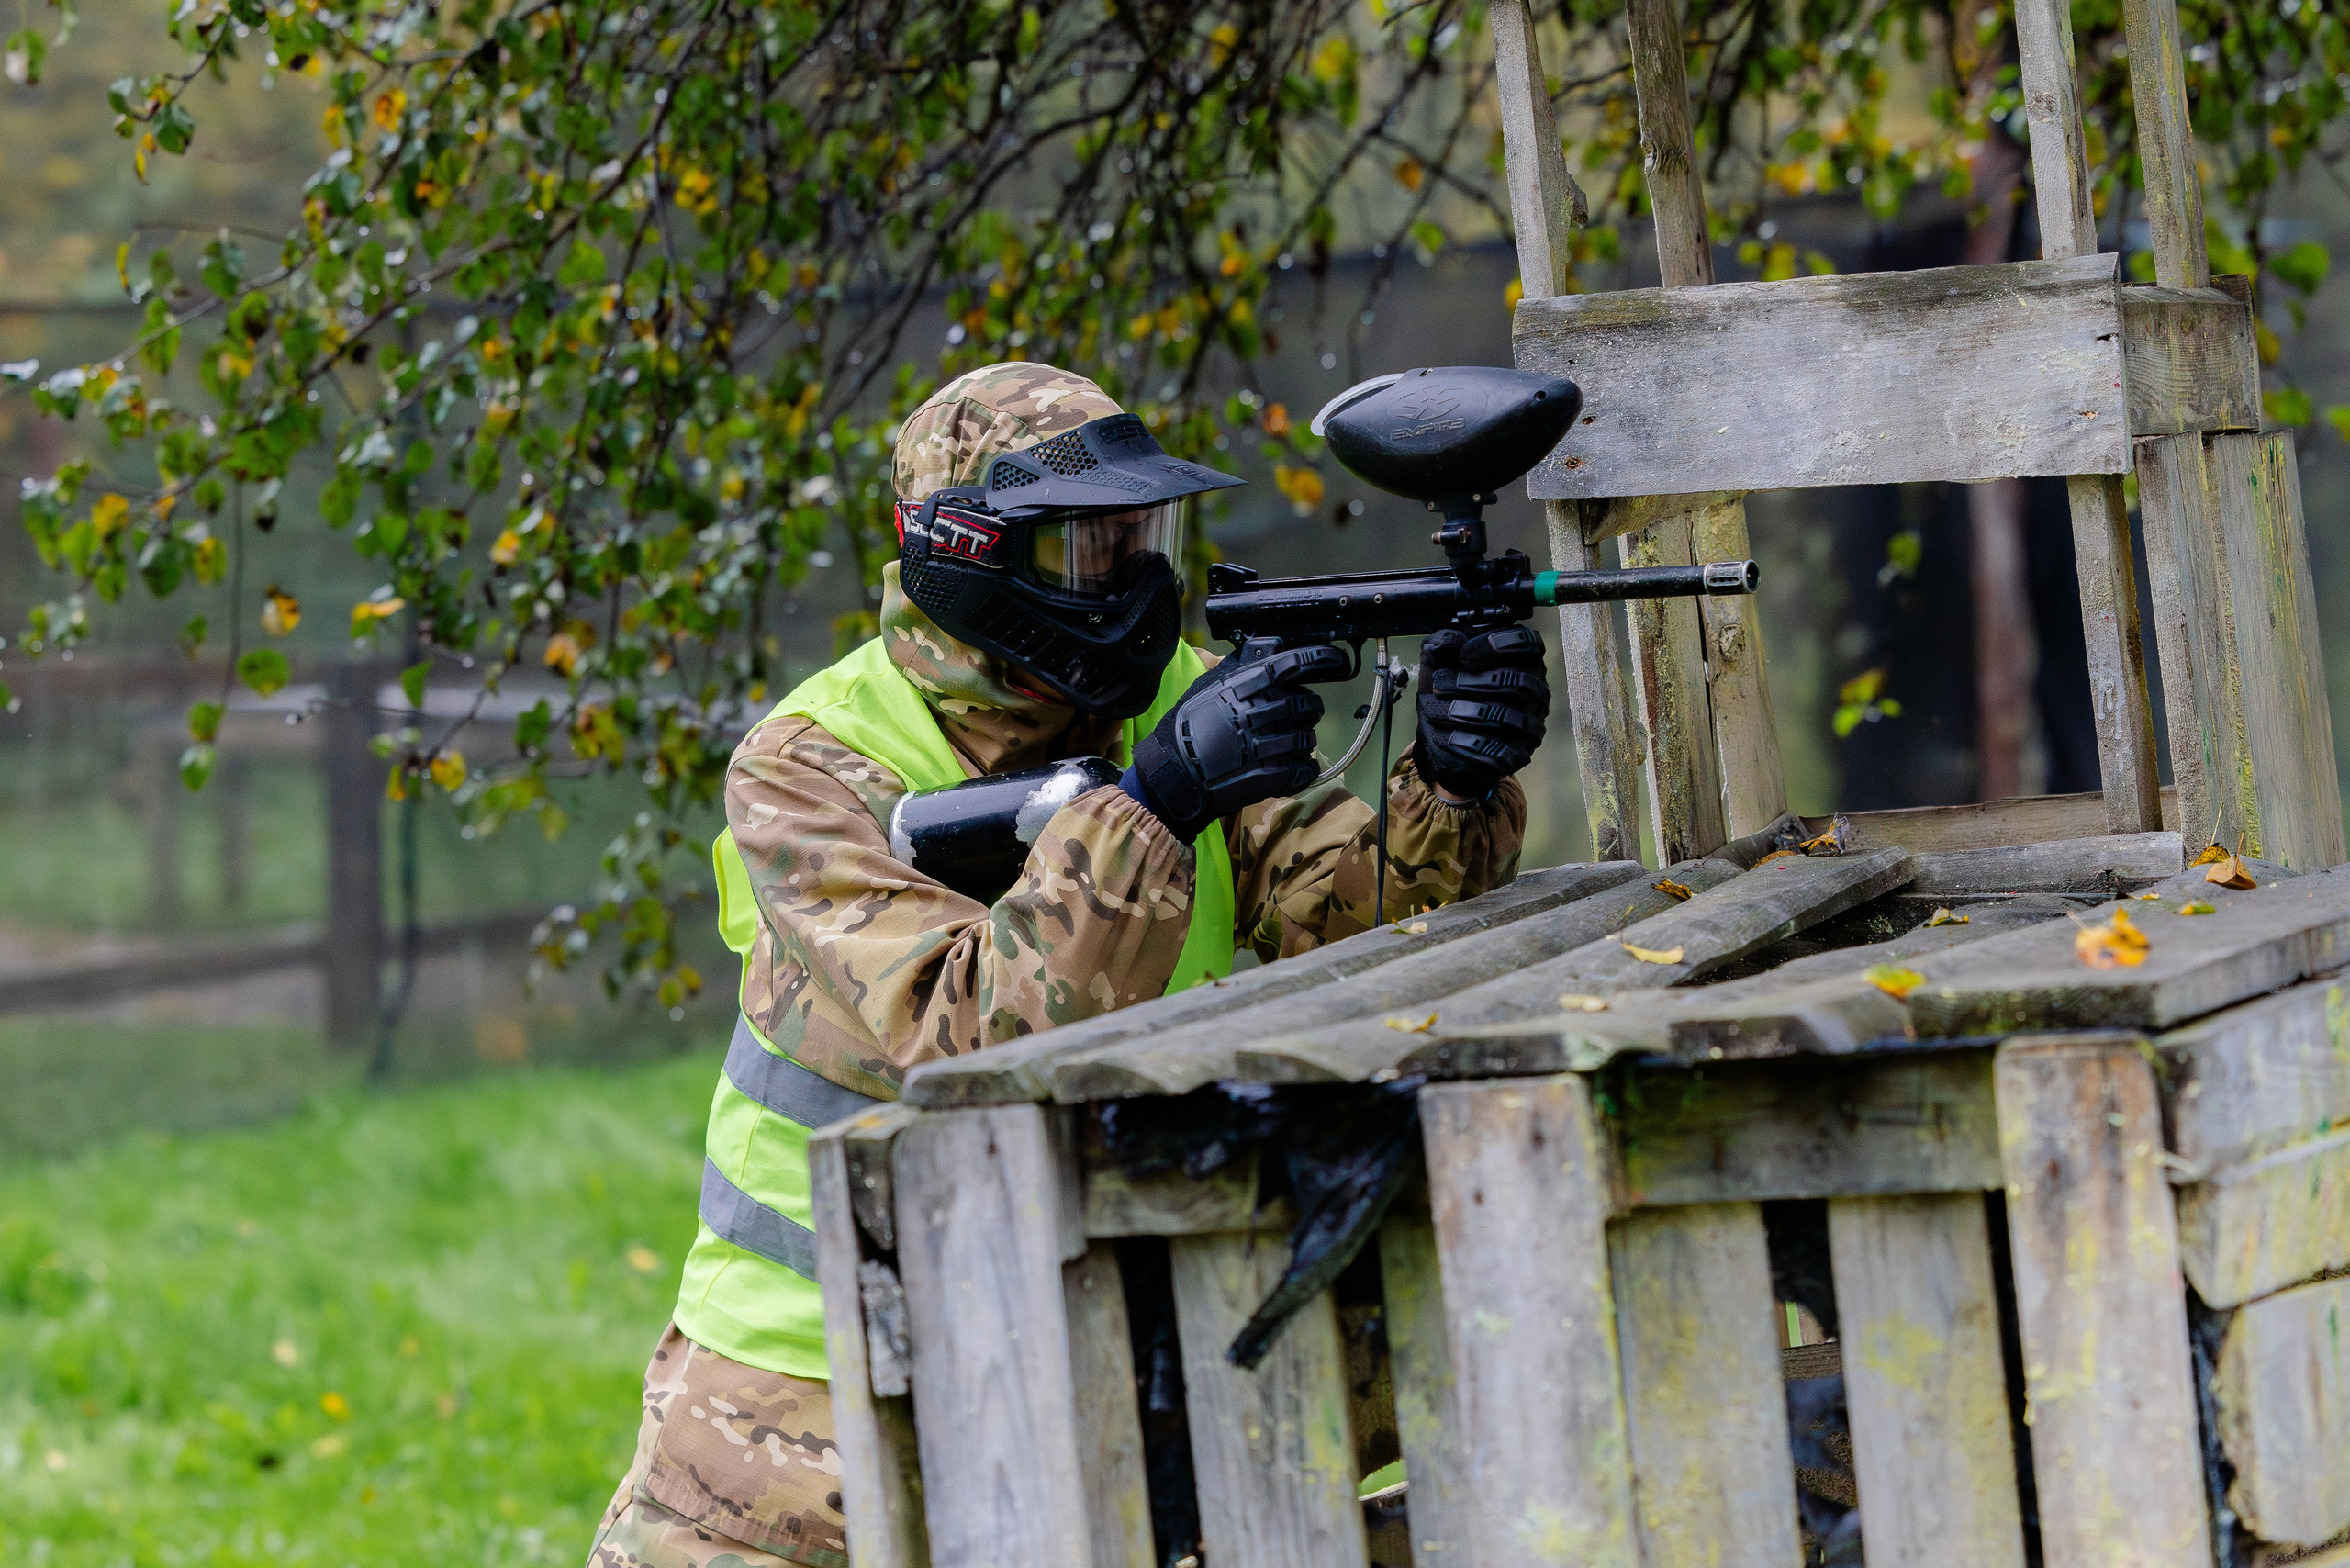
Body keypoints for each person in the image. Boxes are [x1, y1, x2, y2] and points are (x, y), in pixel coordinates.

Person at [587, 361, 1551, 1568]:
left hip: (1093, 1327)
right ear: (971, 553)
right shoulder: (811, 769)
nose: (1134, 581)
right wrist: (1154, 807)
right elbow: (975, 1035)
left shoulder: (1166, 708)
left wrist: (1453, 782)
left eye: (1142, 538)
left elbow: (1355, 927)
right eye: (1089, 552)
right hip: (800, 1408)